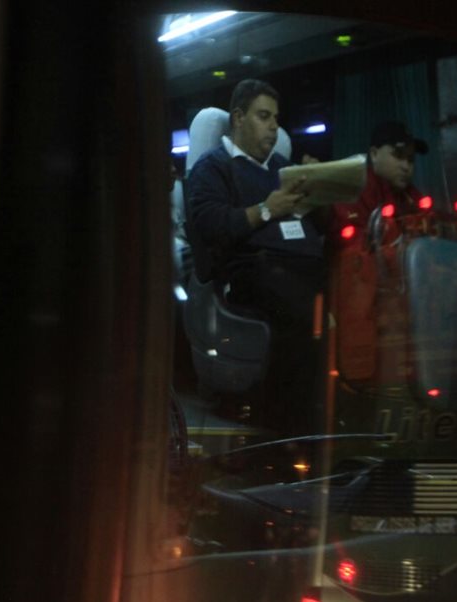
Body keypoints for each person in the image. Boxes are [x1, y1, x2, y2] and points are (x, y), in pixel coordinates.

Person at [184, 79, 326, 430]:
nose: (275, 126)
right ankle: (287, 426)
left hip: (301, 266)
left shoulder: (283, 169)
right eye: (264, 116)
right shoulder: (214, 167)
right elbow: (210, 225)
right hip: (250, 269)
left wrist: (319, 192)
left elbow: (314, 226)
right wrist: (265, 209)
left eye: (276, 118)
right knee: (305, 315)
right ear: (238, 118)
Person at [332, 120, 429, 236]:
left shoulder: (409, 195)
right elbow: (348, 248)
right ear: (374, 154)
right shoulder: (355, 190)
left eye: (411, 159)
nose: (406, 166)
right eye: (398, 155)